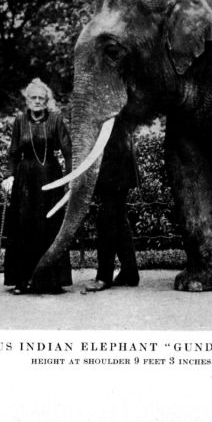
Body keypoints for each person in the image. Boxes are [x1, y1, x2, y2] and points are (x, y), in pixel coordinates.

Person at [1, 78, 72, 294]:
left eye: (41, 98)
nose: (38, 101)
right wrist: (9, 176)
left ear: (46, 100)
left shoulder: (56, 119)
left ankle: (51, 281)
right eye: (34, 97)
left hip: (50, 177)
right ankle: (22, 281)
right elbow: (14, 152)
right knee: (24, 227)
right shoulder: (20, 120)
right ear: (27, 100)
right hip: (25, 180)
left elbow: (68, 151)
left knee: (49, 226)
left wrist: (70, 178)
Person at [82, 116, 140, 292]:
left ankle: (103, 277)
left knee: (106, 222)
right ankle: (130, 273)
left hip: (114, 172)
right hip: (120, 171)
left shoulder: (113, 110)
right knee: (119, 221)